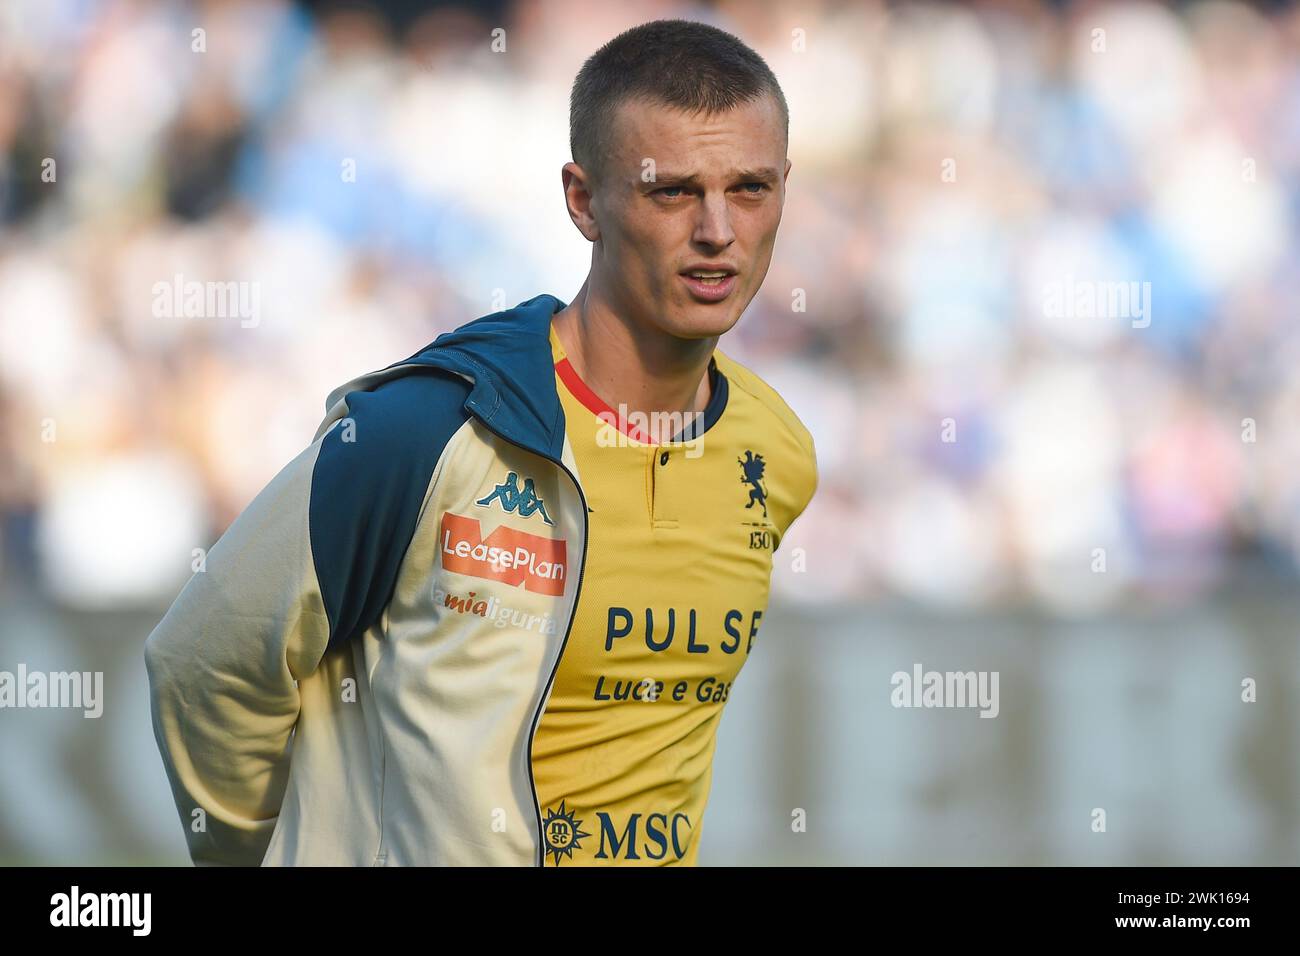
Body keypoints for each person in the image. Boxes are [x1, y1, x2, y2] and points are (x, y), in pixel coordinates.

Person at [145, 17, 817, 866]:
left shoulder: (778, 454)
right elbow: (204, 660)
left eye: (750, 188)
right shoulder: (421, 432)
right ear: (584, 201)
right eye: (673, 191)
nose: (718, 230)